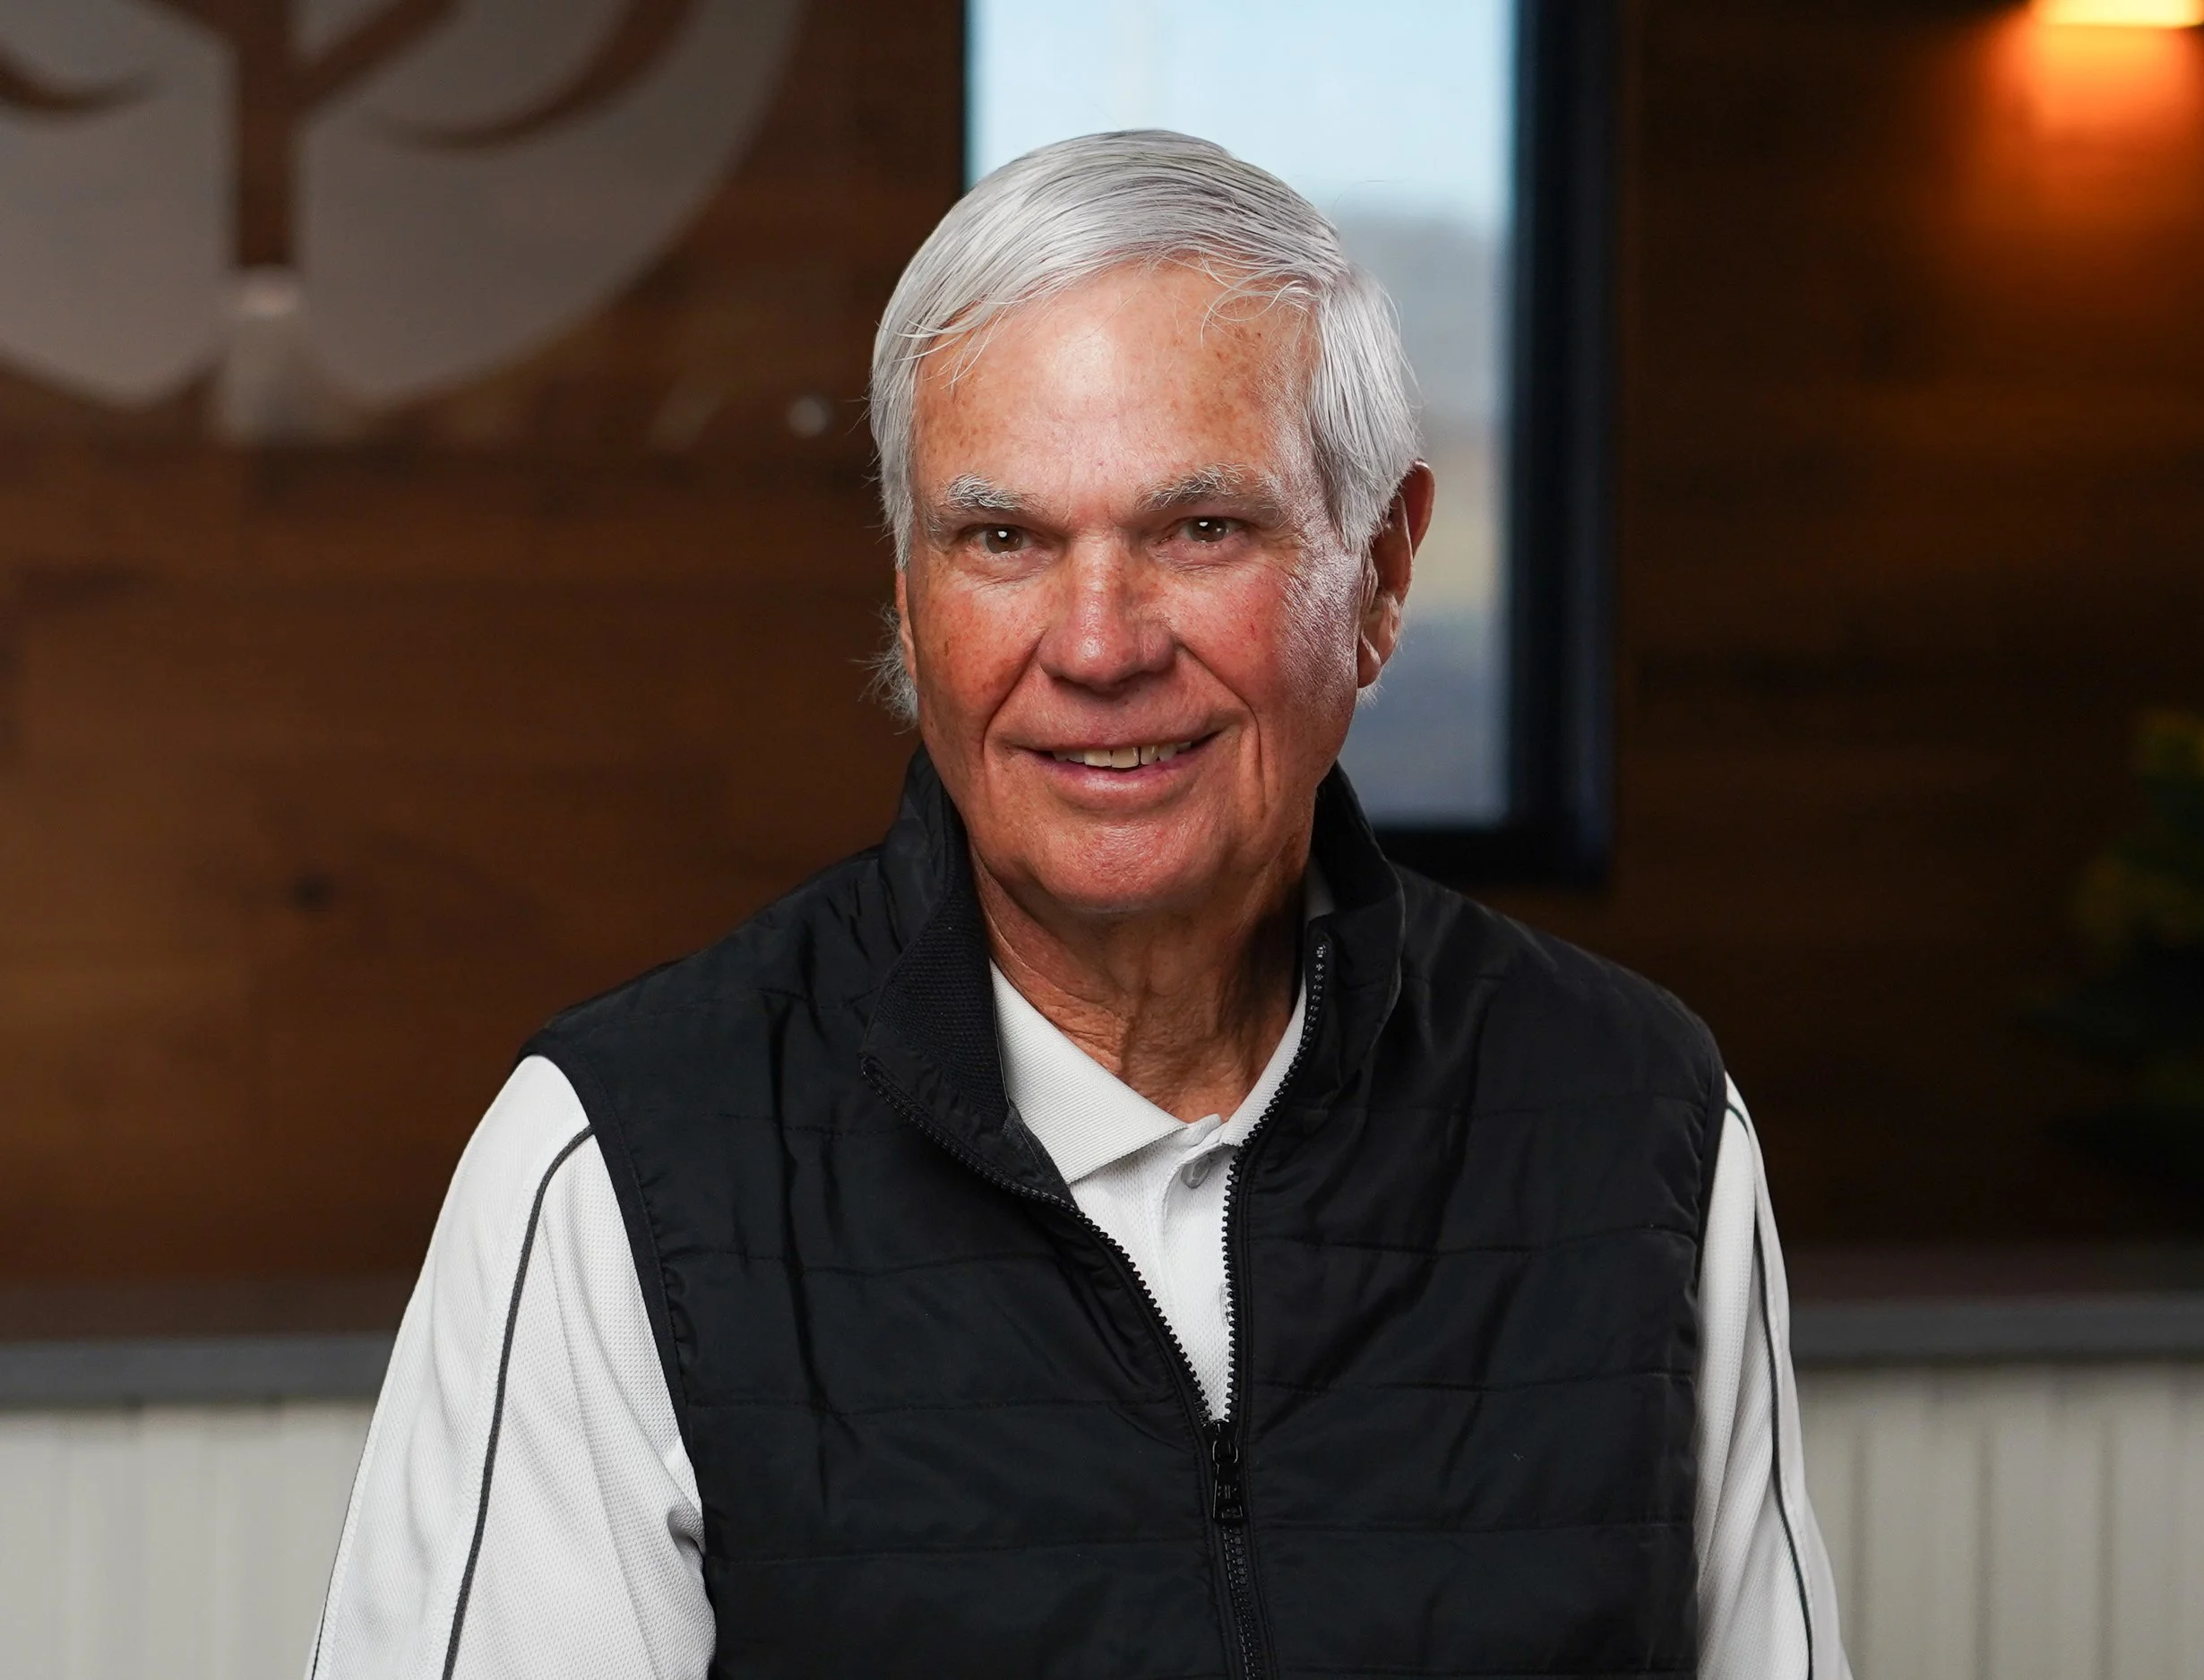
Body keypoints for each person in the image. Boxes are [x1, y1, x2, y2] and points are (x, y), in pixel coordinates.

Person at [308, 130, 1848, 1679]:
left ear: (1382, 575)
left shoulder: (1642, 1123)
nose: (1100, 645)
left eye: (1200, 529)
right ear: (909, 600)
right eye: (1004, 539)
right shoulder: (612, 1168)